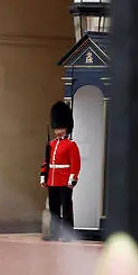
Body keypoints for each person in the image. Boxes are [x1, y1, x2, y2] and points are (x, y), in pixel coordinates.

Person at [39, 100, 80, 241]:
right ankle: (54, 233)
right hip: (52, 179)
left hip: (64, 179)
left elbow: (75, 163)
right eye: (56, 129)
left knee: (66, 208)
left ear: (66, 128)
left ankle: (69, 234)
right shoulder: (51, 144)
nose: (57, 131)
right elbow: (47, 161)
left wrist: (72, 179)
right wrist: (43, 176)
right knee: (54, 209)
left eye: (60, 128)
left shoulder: (71, 145)